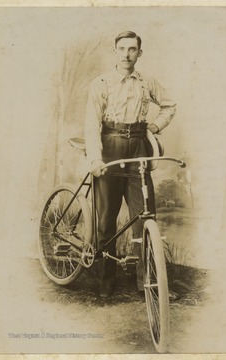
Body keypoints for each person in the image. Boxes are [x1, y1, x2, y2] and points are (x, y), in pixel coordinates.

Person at [85, 31, 176, 298]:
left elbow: (169, 106)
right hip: (110, 149)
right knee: (105, 219)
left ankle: (148, 283)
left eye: (132, 49)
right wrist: (94, 158)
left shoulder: (147, 82)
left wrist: (155, 126)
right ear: (114, 52)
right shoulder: (100, 83)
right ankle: (106, 281)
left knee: (145, 216)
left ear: (140, 53)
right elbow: (92, 124)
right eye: (122, 49)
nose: (126, 54)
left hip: (138, 149)